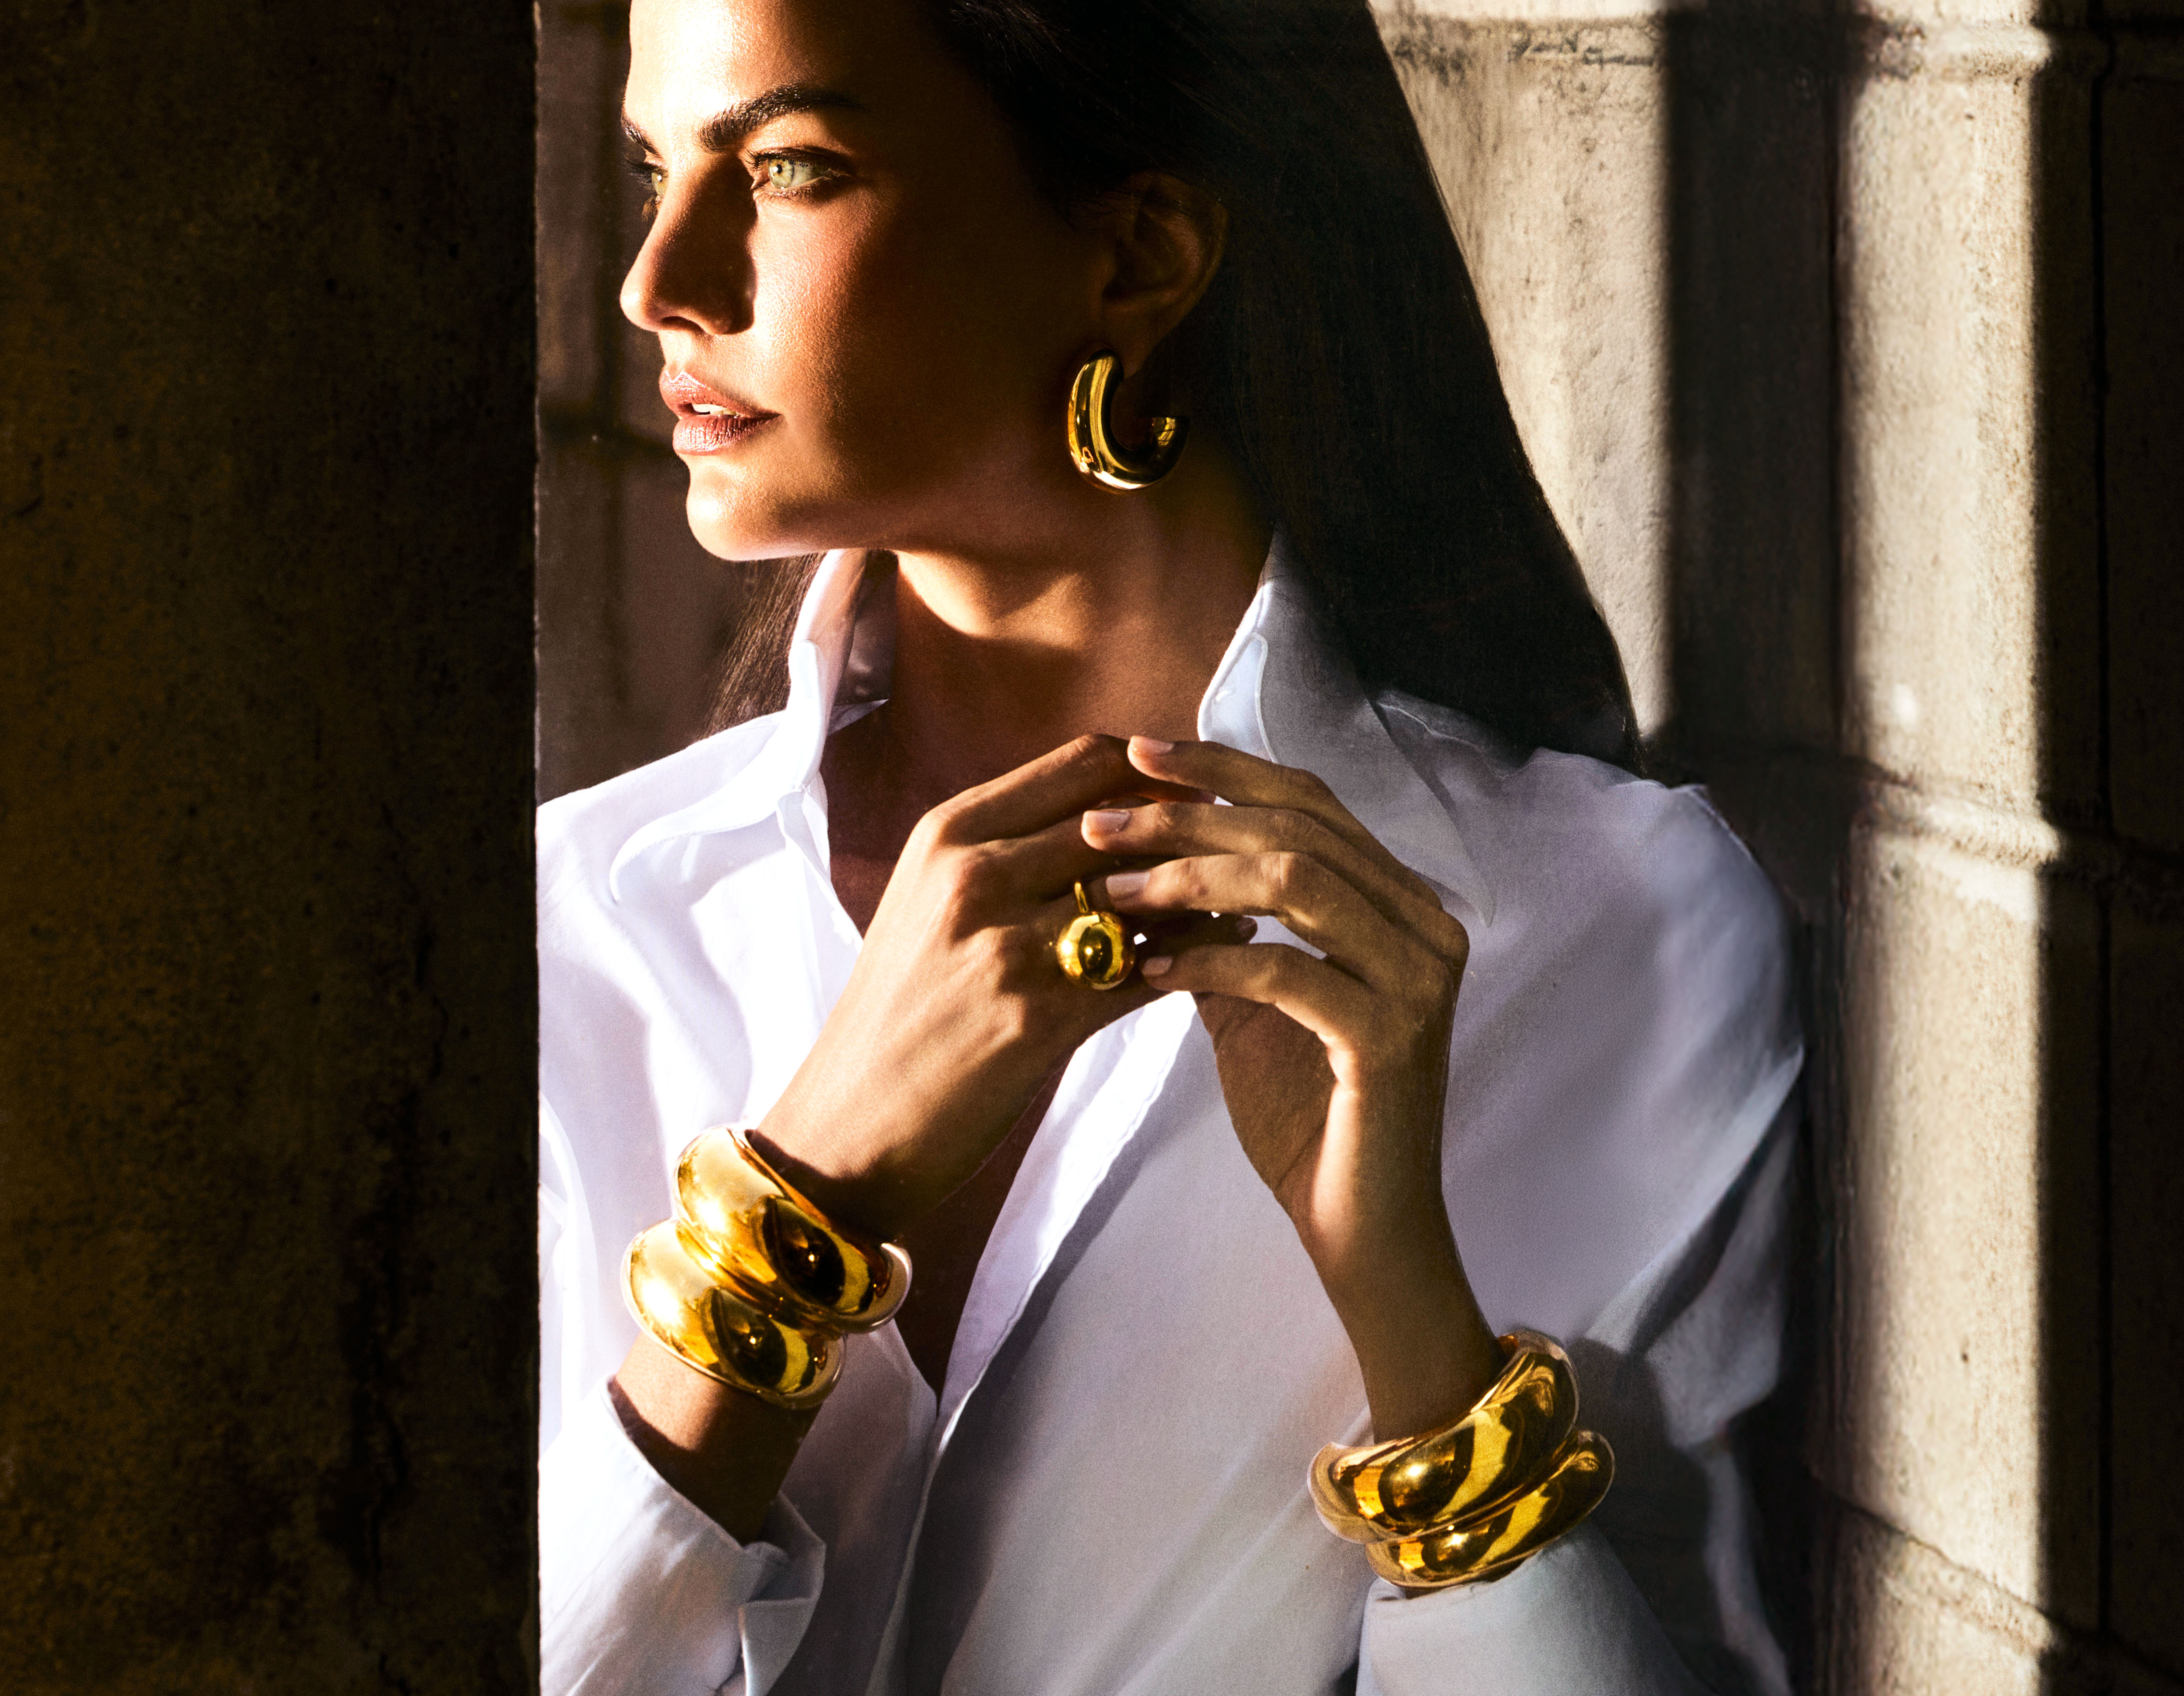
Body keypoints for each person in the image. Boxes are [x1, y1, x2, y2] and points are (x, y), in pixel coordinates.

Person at [537, 0, 1804, 1689]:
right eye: (654, 172)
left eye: (789, 168)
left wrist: (1413, 1327)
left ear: (1138, 255)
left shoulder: (1615, 935)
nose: (658, 281)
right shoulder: (577, 925)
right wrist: (791, 1213)